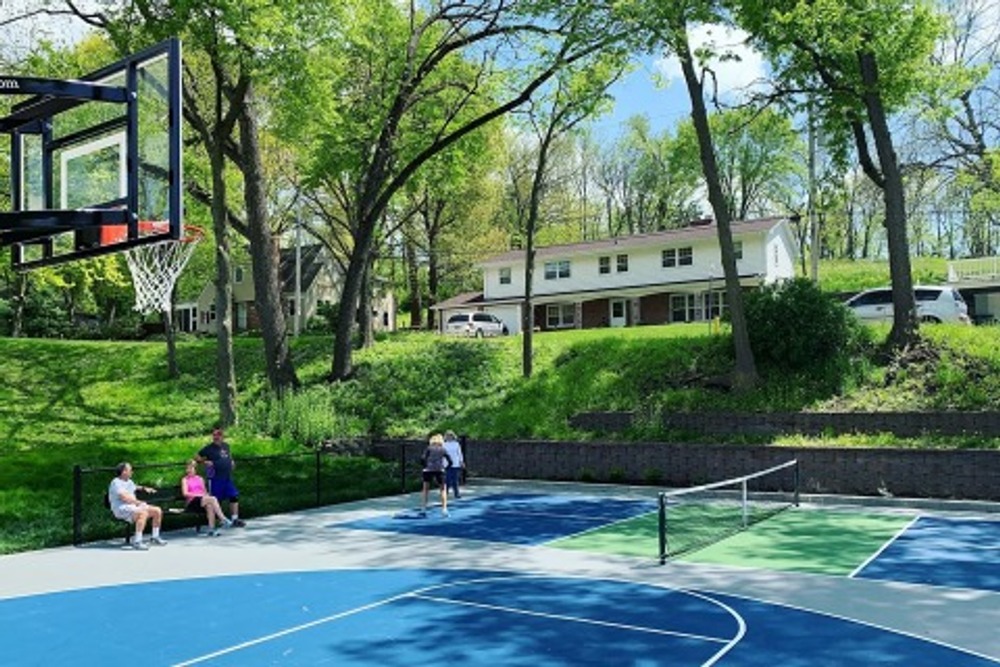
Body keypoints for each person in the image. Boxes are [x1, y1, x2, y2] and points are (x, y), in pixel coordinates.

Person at [108, 462, 167, 550]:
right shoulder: (116, 483)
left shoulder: (129, 481)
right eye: (130, 470)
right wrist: (138, 503)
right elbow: (124, 497)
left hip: (132, 507)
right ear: (124, 472)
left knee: (157, 511)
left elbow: (135, 487)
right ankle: (137, 541)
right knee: (142, 513)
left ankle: (155, 537)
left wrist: (144, 488)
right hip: (121, 509)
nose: (132, 472)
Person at [196, 425, 246, 527]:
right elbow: (197, 456)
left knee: (234, 497)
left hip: (227, 477)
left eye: (218, 434)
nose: (216, 436)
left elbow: (228, 456)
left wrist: (231, 461)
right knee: (217, 499)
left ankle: (234, 519)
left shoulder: (226, 446)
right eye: (214, 435)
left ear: (222, 436)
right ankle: (219, 520)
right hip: (215, 478)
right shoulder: (209, 448)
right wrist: (205, 462)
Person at [181, 459, 232, 536]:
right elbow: (185, 493)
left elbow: (204, 491)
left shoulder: (200, 479)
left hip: (202, 500)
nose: (189, 470)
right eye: (188, 468)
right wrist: (199, 495)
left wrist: (205, 496)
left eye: (191, 468)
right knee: (213, 499)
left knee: (210, 505)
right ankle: (222, 518)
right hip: (192, 502)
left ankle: (211, 529)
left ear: (195, 469)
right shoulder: (185, 480)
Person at [420, 433, 452, 517]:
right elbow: (450, 460)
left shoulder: (428, 448)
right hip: (439, 469)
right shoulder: (442, 449)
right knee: (442, 489)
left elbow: (423, 458)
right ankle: (444, 509)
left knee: (425, 489)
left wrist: (425, 466)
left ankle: (423, 507)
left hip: (428, 469)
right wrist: (446, 467)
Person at [442, 430, 465, 499]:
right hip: (446, 464)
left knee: (455, 479)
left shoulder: (456, 444)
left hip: (455, 463)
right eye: (448, 436)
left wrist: (461, 461)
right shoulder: (444, 444)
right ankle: (445, 493)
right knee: (447, 479)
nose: (449, 437)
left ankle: (456, 493)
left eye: (451, 435)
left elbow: (460, 453)